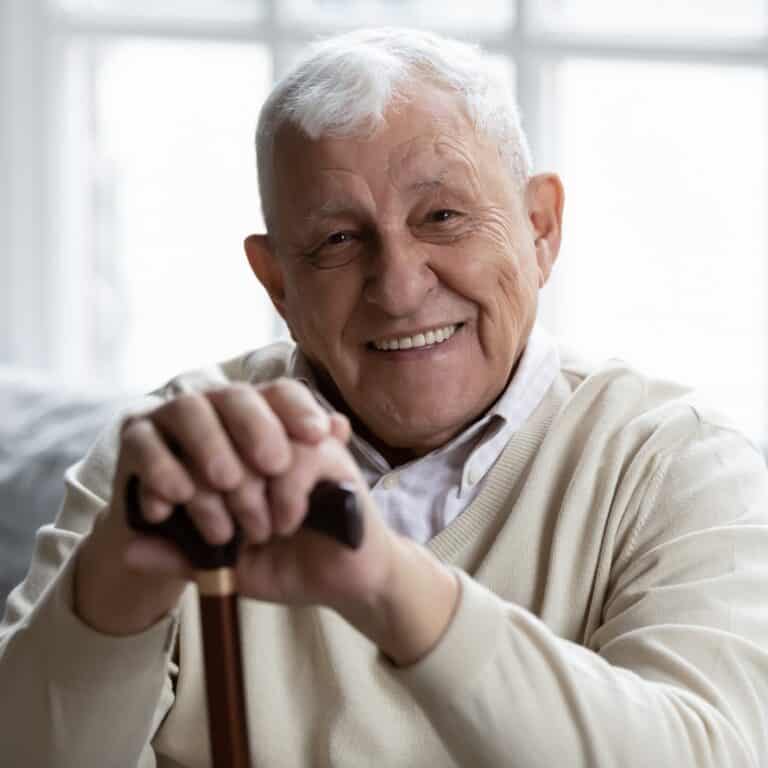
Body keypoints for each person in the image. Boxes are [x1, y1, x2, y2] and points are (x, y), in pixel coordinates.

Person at [1, 27, 767, 768]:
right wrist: (119, 589)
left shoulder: (680, 464)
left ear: (540, 229)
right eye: (337, 239)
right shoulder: (178, 450)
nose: (398, 288)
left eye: (443, 217)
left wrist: (388, 585)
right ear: (277, 282)